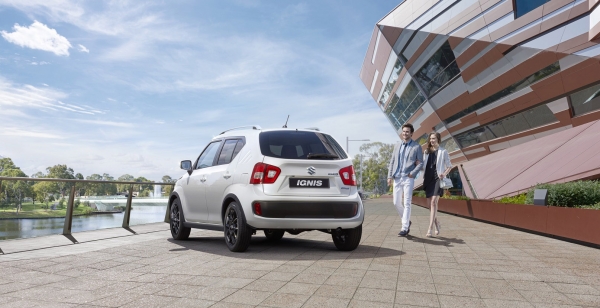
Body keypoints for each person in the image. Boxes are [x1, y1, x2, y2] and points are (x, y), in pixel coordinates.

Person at [387, 123, 423, 237]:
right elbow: (392, 161)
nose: (405, 133)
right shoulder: (397, 145)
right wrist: (389, 176)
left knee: (407, 202)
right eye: (403, 131)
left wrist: (412, 173)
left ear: (411, 133)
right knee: (396, 202)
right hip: (397, 177)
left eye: (407, 131)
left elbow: (420, 163)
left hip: (408, 177)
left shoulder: (416, 147)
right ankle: (406, 221)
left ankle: (405, 227)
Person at [421, 132, 452, 237]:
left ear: (438, 139)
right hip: (428, 179)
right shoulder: (426, 151)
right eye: (430, 139)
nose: (431, 141)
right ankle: (437, 223)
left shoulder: (443, 151)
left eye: (433, 138)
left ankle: (430, 228)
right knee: (430, 205)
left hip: (438, 178)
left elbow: (449, 166)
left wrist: (444, 173)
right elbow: (423, 166)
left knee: (434, 202)